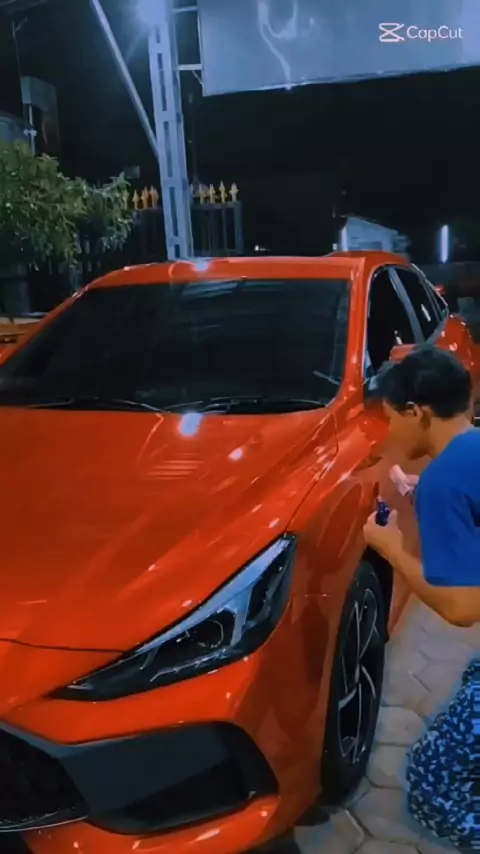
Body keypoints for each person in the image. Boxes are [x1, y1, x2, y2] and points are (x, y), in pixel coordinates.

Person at [362, 345, 480, 851]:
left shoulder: (445, 482)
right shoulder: (471, 451)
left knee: (434, 782)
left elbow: (463, 608)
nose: (389, 432)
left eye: (391, 418)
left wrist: (390, 548)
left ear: (418, 413)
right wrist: (423, 495)